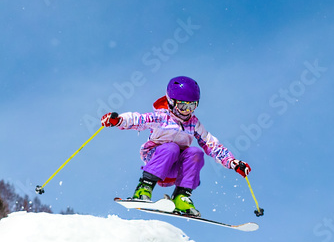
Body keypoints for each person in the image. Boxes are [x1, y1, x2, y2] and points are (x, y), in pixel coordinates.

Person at [102, 75, 251, 216]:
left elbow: (211, 144)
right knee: (171, 148)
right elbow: (137, 119)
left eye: (192, 106)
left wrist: (232, 162)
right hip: (156, 158)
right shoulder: (161, 117)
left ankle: (181, 197)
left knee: (195, 153)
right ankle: (144, 188)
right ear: (171, 102)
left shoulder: (194, 124)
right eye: (182, 106)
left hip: (175, 168)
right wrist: (119, 120)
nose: (187, 111)